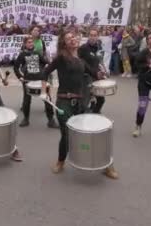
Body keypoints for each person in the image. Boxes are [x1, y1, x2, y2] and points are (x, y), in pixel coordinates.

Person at [42, 31, 118, 179]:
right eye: (68, 38)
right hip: (64, 102)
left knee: (89, 134)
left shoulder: (82, 61)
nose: (72, 39)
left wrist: (102, 75)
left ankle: (106, 165)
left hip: (80, 103)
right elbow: (45, 73)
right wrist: (45, 91)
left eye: (74, 37)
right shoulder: (61, 58)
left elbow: (95, 74)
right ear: (64, 43)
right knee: (66, 134)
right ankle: (60, 161)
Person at [13, 35, 56, 128]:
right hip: (28, 80)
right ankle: (26, 118)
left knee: (47, 99)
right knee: (27, 100)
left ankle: (51, 120)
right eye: (28, 42)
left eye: (32, 42)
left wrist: (48, 64)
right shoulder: (22, 55)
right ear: (25, 44)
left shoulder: (37, 53)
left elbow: (45, 62)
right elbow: (15, 67)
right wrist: (19, 76)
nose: (31, 44)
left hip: (41, 79)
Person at [79, 28, 107, 114]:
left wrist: (103, 70)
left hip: (96, 76)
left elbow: (99, 61)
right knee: (84, 103)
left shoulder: (98, 47)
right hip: (86, 77)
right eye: (91, 35)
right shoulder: (83, 48)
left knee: (101, 100)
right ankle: (79, 119)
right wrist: (95, 73)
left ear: (98, 37)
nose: (93, 37)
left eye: (95, 35)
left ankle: (94, 116)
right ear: (88, 36)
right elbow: (82, 64)